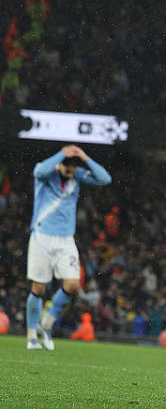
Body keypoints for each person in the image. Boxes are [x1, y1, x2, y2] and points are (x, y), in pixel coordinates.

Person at [26, 145, 111, 350]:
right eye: (67, 168)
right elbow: (38, 171)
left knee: (72, 284)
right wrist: (62, 154)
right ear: (60, 164)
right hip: (42, 236)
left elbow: (105, 179)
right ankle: (31, 336)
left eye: (74, 169)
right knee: (38, 287)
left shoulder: (77, 175)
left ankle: (47, 324)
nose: (71, 172)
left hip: (65, 239)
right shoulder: (46, 173)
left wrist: (84, 157)